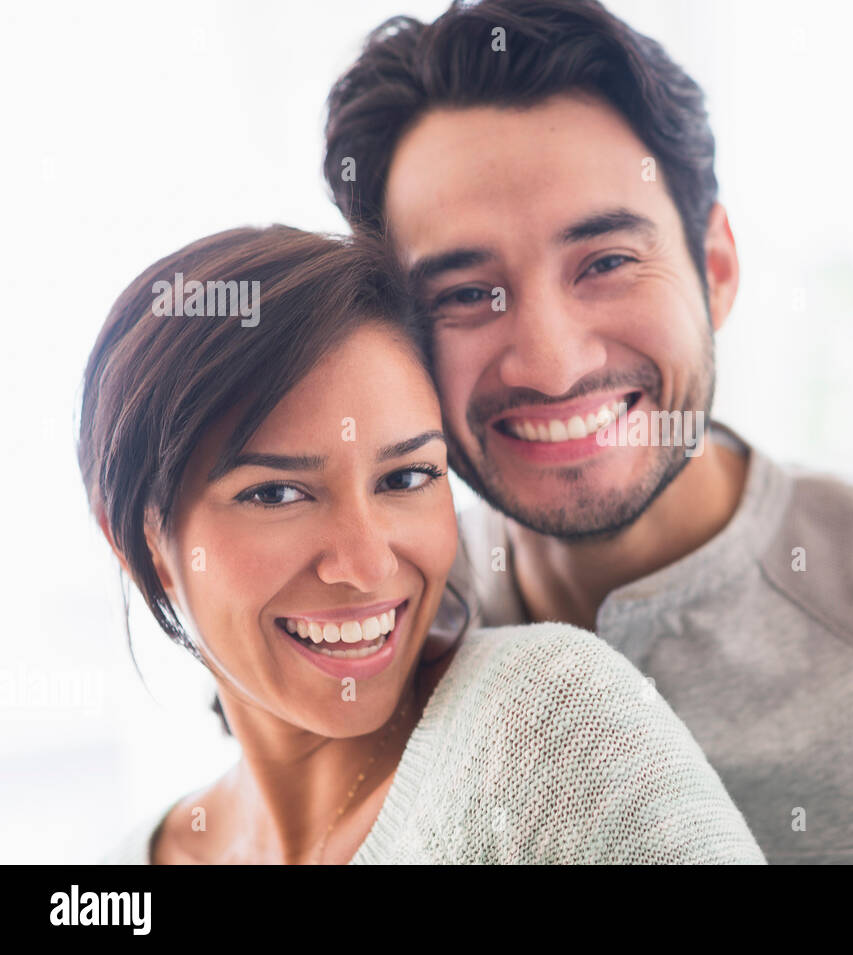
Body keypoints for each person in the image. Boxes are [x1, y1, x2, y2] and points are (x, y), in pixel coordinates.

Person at [322, 0, 853, 863]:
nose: (551, 364)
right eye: (467, 295)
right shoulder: (369, 631)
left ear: (717, 267)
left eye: (607, 263)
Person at [82, 225, 765, 864]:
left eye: (407, 476)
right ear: (139, 539)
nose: (368, 563)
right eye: (276, 494)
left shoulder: (550, 727)